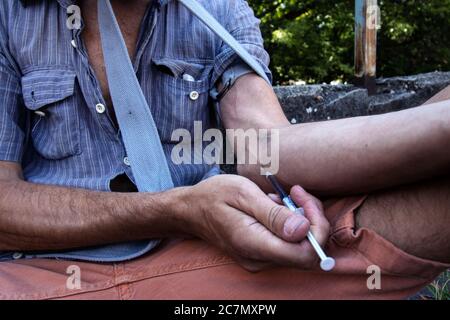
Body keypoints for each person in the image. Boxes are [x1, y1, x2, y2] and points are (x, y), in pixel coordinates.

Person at [0, 0, 448, 300]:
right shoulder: (7, 15)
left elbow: (263, 148)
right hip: (39, 273)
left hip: (207, 258)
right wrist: (176, 209)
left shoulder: (218, 7)